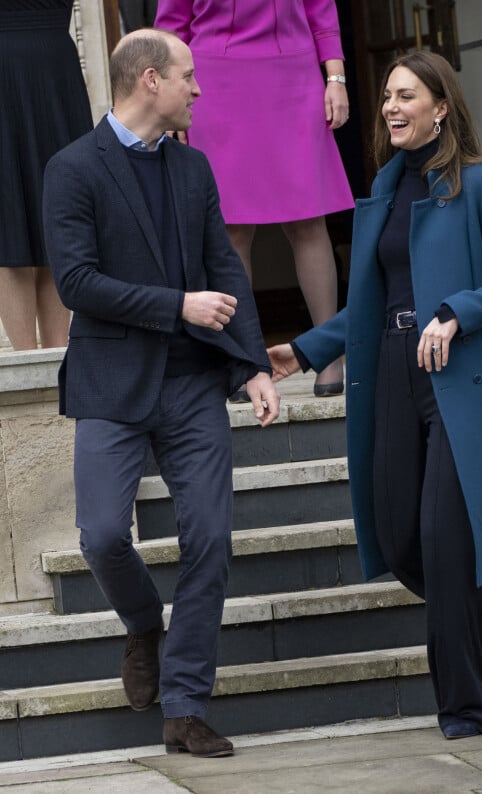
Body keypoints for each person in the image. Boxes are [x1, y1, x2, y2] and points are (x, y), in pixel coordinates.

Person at [268, 50, 482, 740]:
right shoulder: (384, 189)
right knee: (397, 530)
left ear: (441, 106)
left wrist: (455, 312)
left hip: (459, 377)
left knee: (447, 539)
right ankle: (481, 597)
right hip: (390, 368)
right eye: (387, 95)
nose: (390, 106)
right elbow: (370, 302)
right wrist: (303, 350)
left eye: (406, 95)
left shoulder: (481, 184)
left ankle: (464, 709)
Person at [43, 28, 279, 757]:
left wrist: (252, 366)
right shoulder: (72, 168)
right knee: (104, 536)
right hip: (112, 383)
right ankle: (145, 623)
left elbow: (224, 269)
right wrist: (177, 304)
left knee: (210, 538)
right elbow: (76, 282)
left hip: (192, 384)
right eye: (187, 76)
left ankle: (184, 705)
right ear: (149, 80)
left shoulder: (196, 168)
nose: (197, 89)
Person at [154, 0, 354, 399]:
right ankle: (245, 359)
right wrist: (172, 99)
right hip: (215, 84)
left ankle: (329, 352)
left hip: (293, 77)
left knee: (307, 219)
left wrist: (336, 78)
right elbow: (171, 27)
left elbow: (321, 8)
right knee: (231, 229)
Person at [0, 0, 93, 351]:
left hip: (57, 72)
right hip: (5, 68)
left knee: (59, 211)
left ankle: (58, 354)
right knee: (9, 215)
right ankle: (25, 362)